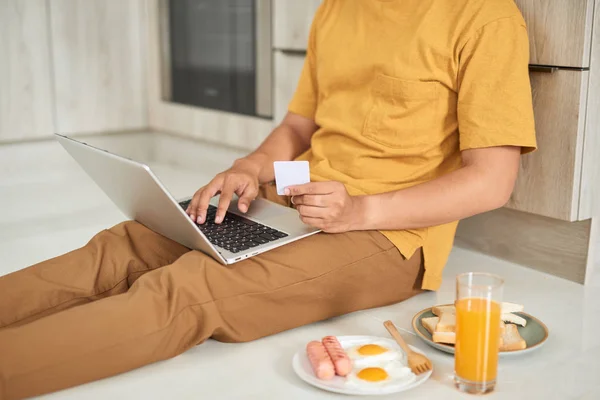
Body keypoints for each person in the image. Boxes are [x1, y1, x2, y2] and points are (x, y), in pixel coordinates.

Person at [0, 0, 537, 398]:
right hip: (293, 202)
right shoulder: (336, 8)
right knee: (127, 245)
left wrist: (360, 210)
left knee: (192, 288)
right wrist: (249, 169)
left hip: (387, 234)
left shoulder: (483, 17)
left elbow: (492, 180)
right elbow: (299, 125)